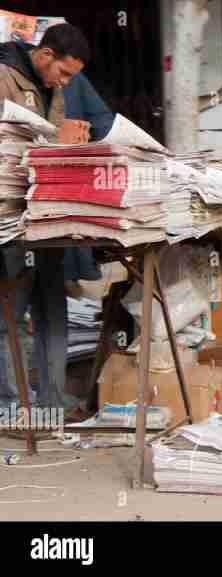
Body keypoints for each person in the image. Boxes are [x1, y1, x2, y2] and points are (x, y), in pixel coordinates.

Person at [0, 23, 93, 420]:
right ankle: (9, 404)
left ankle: (52, 402)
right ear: (45, 55)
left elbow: (50, 142)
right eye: (64, 73)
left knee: (53, 310)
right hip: (12, 216)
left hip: (48, 218)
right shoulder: (4, 75)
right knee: (9, 316)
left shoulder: (54, 89)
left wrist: (68, 141)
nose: (65, 83)